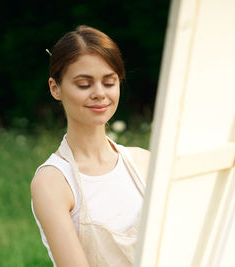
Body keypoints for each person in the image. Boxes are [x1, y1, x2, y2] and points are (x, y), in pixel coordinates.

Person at [30, 25, 150, 267]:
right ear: (55, 88)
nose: (99, 93)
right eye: (84, 84)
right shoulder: (53, 181)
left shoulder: (144, 162)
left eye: (109, 82)